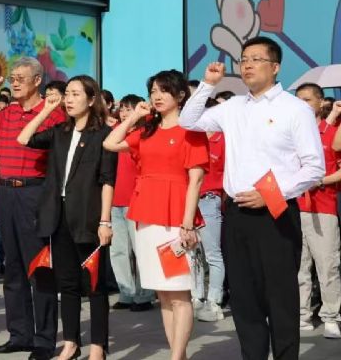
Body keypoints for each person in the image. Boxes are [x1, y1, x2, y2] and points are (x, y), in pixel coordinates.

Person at [180, 36, 325, 360]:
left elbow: (314, 167)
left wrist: (271, 194)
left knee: (280, 298)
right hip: (236, 213)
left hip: (276, 211)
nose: (247, 65)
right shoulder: (232, 107)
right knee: (245, 300)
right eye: (244, 59)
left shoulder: (295, 109)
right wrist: (207, 84)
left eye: (256, 59)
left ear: (275, 67)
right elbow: (188, 120)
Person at [104, 70, 208, 360]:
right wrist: (134, 117)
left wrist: (187, 224)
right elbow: (110, 143)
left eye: (164, 90)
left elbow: (196, 180)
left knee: (179, 293)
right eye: (153, 91)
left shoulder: (192, 131)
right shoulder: (147, 131)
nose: (157, 96)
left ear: (180, 95)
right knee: (163, 293)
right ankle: (179, 355)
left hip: (176, 218)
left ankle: (176, 356)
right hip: (146, 215)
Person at [0, 57, 65, 360]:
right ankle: (19, 334)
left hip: (35, 192)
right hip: (7, 192)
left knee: (39, 266)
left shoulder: (52, 114)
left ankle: (44, 340)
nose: (15, 82)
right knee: (13, 268)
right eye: (13, 78)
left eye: (21, 78)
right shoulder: (7, 112)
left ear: (38, 80)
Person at [17, 75, 117, 360]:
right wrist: (47, 109)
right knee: (68, 285)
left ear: (91, 99)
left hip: (88, 218)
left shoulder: (103, 135)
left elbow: (107, 180)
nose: (69, 99)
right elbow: (24, 138)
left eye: (75, 94)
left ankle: (98, 347)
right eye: (67, 94)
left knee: (95, 286)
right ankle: (71, 343)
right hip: (58, 217)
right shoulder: (60, 131)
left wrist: (105, 221)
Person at [294, 83, 341, 338]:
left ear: (321, 102)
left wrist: (320, 181)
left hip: (323, 208)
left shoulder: (332, 132)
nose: (302, 104)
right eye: (298, 100)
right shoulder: (291, 134)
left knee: (327, 265)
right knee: (299, 266)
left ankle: (331, 316)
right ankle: (302, 314)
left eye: (307, 100)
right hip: (294, 207)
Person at [109, 94, 155, 312]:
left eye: (129, 109)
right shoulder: (115, 133)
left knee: (140, 250)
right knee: (118, 250)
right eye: (122, 109)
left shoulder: (146, 132)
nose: (124, 113)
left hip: (137, 200)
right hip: (114, 200)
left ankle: (144, 294)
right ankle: (126, 292)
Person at [193, 97, 227, 323]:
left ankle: (214, 301)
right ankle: (196, 296)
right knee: (193, 252)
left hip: (210, 200)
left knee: (213, 253)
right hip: (190, 201)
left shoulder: (223, 140)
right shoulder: (193, 138)